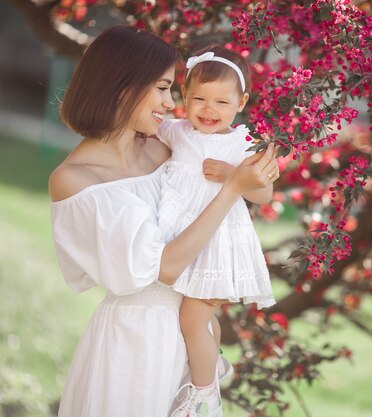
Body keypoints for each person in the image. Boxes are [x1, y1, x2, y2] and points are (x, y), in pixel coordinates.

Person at [48, 25, 279, 417]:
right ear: (123, 86)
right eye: (161, 88)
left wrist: (257, 174)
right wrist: (231, 189)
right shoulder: (75, 180)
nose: (172, 104)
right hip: (134, 342)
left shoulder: (168, 148)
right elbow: (166, 268)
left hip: (193, 334)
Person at [155, 45, 275, 417]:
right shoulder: (175, 132)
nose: (209, 110)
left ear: (241, 102)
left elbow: (264, 193)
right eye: (199, 99)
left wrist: (231, 175)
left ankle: (204, 396)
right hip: (185, 240)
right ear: (184, 98)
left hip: (219, 243)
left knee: (192, 318)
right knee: (201, 318)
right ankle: (215, 362)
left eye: (221, 102)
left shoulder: (241, 144)